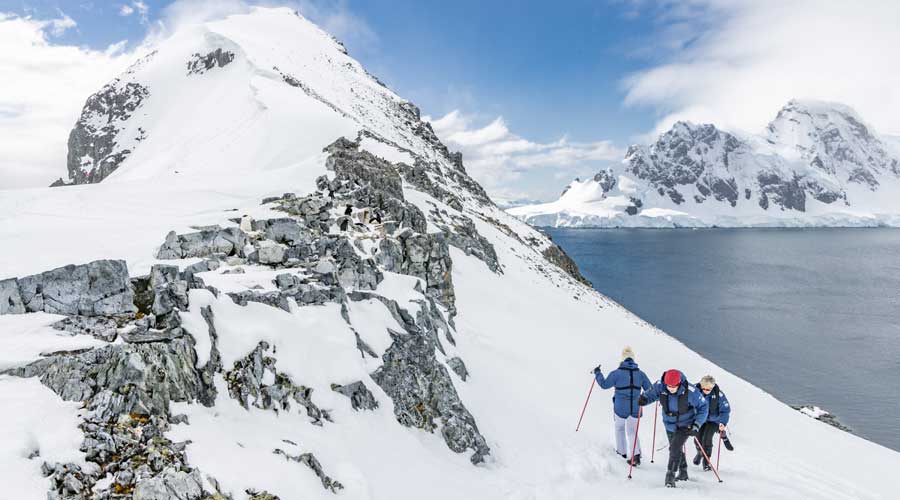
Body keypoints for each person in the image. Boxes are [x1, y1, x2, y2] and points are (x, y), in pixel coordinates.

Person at [639, 369, 708, 488]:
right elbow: (651, 395)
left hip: (686, 424)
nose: (670, 388)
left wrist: (696, 425)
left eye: (673, 386)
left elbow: (703, 407)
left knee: (674, 447)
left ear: (679, 383)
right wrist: (644, 400)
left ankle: (670, 476)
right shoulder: (660, 385)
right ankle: (683, 472)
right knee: (676, 448)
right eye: (668, 386)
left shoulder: (691, 391)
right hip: (669, 423)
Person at [592, 346, 653, 465]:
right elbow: (649, 390)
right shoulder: (641, 374)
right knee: (632, 431)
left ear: (622, 359)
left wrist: (597, 373)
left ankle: (622, 452)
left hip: (620, 407)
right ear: (633, 359)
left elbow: (604, 385)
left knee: (619, 428)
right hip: (636, 406)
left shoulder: (616, 373)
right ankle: (636, 455)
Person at [693, 375, 731, 471]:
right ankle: (700, 452)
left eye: (708, 389)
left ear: (712, 387)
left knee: (707, 438)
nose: (705, 390)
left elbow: (725, 410)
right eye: (703, 388)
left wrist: (722, 422)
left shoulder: (719, 395)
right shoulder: (694, 391)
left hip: (713, 420)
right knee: (697, 437)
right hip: (701, 419)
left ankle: (706, 462)